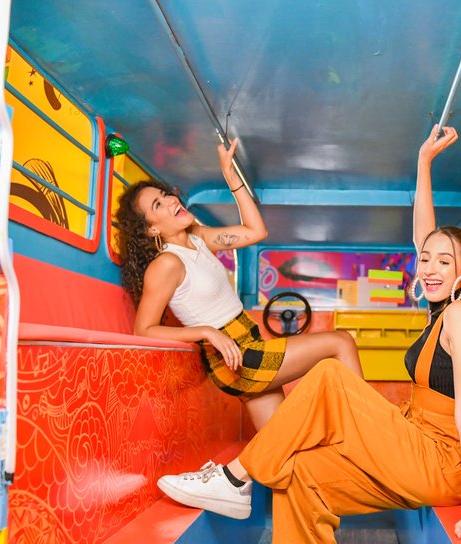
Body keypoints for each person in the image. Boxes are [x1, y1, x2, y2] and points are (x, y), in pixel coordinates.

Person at [157, 125, 461, 544]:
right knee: (299, 471)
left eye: (443, 263)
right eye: (425, 260)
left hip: (439, 458)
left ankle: (235, 477)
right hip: (411, 440)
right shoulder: (439, 303)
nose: (428, 267)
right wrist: (424, 163)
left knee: (331, 374)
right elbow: (424, 236)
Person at [113, 138, 363, 434]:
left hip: (248, 342)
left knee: (280, 446)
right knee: (341, 341)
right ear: (152, 228)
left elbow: (256, 231)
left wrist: (231, 177)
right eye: (158, 204)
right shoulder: (166, 264)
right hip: (232, 356)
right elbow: (144, 329)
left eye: (165, 194)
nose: (170, 201)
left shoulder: (198, 238)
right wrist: (207, 332)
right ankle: (366, 429)